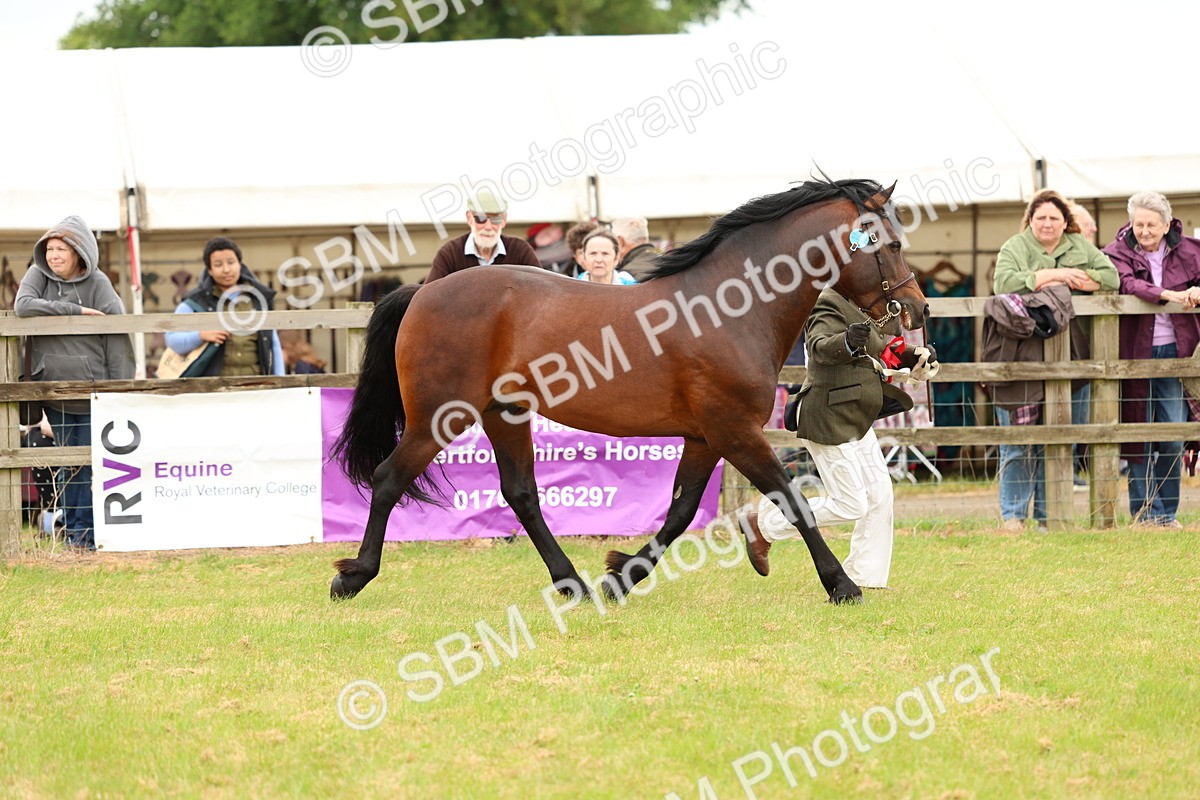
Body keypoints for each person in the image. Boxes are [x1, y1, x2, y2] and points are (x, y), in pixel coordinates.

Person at [737, 286, 939, 588]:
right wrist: (845, 341)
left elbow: (884, 349)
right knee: (851, 504)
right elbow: (818, 346)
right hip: (827, 415)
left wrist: (916, 356)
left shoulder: (868, 304)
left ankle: (865, 576)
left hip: (856, 413)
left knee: (880, 494)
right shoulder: (827, 302)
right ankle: (764, 525)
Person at [991, 189, 1118, 530]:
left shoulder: (1080, 247)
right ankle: (1013, 516)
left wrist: (1078, 280)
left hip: (1073, 354)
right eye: (1041, 217)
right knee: (1019, 442)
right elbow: (1003, 283)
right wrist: (1055, 276)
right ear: (1030, 220)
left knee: (1062, 438)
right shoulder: (1015, 247)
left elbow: (1111, 278)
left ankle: (1050, 517)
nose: (1047, 223)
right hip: (1021, 355)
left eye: (1054, 218)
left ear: (1066, 222)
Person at [14, 215, 136, 549]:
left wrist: (120, 388)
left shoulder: (99, 284)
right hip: (53, 389)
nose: (53, 256)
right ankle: (78, 536)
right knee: (70, 465)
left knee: (98, 463)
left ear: (78, 252)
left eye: (61, 249)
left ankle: (95, 533)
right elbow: (22, 306)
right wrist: (75, 312)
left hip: (95, 390)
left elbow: (118, 338)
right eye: (50, 249)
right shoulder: (38, 274)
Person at [1103, 191, 1200, 528]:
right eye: (1138, 223)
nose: (1144, 230)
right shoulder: (1115, 252)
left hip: (1177, 352)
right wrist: (1165, 294)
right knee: (1138, 434)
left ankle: (1167, 513)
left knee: (1172, 435)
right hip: (1134, 352)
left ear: (1166, 224)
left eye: (1151, 224)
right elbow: (1126, 283)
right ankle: (1144, 513)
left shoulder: (1190, 249)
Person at [165, 237, 284, 377]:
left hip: (255, 386)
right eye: (218, 264)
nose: (226, 269)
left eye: (231, 262)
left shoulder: (258, 299)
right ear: (209, 270)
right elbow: (172, 340)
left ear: (240, 264)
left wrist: (279, 380)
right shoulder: (195, 302)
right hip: (213, 390)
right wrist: (200, 335)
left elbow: (273, 343)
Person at [426, 188, 541, 282]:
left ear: (504, 220)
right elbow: (428, 297)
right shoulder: (450, 254)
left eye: (495, 219)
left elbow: (542, 289)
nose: (488, 226)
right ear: (469, 218)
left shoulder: (520, 250)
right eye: (481, 218)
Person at [611, 217, 659, 281]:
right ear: (645, 238)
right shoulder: (667, 264)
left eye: (613, 241)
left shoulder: (626, 276)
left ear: (620, 241)